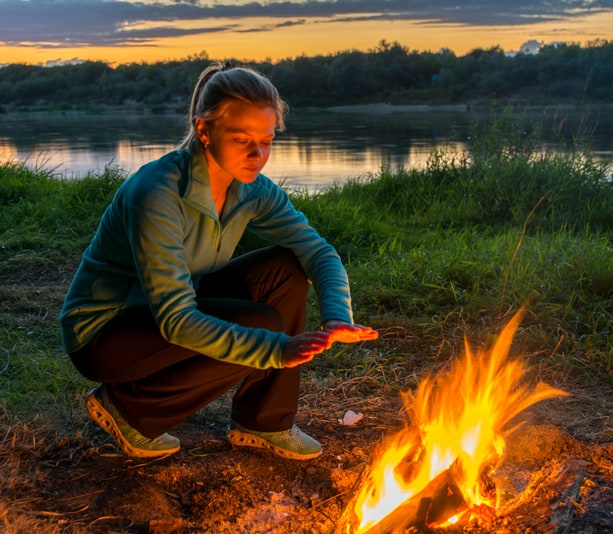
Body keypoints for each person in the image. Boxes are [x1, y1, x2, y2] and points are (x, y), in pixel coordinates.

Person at [59, 61, 378, 461]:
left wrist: (336, 316)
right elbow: (175, 320)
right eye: (242, 139)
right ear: (204, 130)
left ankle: (264, 422)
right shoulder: (157, 193)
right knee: (262, 325)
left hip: (176, 301)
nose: (258, 153)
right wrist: (276, 349)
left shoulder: (253, 188)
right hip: (108, 333)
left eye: (267, 139)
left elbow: (317, 252)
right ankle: (130, 409)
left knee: (286, 267)